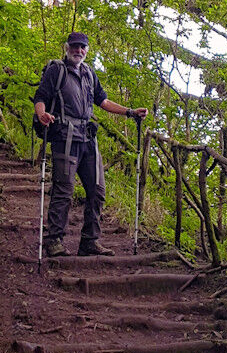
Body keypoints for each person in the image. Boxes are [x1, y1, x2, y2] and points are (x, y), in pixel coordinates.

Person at [33, 32, 147, 258]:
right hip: (64, 137)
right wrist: (43, 114)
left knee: (97, 190)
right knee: (63, 190)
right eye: (74, 46)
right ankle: (54, 240)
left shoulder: (89, 74)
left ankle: (90, 241)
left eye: (82, 47)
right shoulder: (57, 70)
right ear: (67, 48)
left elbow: (102, 101)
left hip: (88, 138)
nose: (78, 50)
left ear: (86, 50)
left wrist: (130, 112)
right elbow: (40, 97)